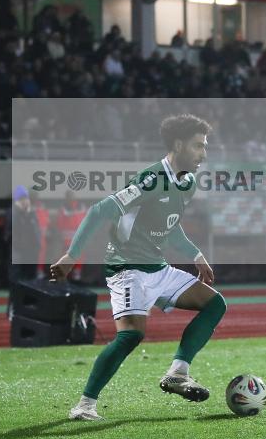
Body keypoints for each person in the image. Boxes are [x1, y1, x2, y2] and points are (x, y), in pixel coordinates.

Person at [52, 114, 225, 421]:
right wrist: (71, 255)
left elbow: (170, 228)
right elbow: (100, 210)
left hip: (157, 268)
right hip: (127, 268)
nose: (204, 153)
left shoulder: (187, 182)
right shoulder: (151, 178)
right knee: (131, 336)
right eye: (198, 146)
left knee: (214, 304)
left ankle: (177, 373)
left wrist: (196, 254)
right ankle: (84, 405)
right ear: (178, 144)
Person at [55, 190, 87, 282]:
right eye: (69, 196)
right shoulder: (63, 209)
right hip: (67, 239)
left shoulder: (81, 207)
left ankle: (76, 273)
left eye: (72, 196)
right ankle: (64, 275)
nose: (71, 198)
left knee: (79, 256)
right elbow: (59, 223)